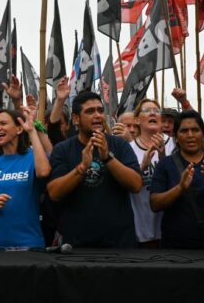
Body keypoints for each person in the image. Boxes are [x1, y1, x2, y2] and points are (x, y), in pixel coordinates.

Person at [47, 91, 142, 248]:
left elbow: (136, 185)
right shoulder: (62, 149)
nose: (97, 115)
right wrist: (82, 168)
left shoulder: (120, 145)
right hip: (76, 245)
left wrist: (108, 158)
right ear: (76, 119)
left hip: (119, 244)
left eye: (100, 110)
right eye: (90, 111)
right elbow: (54, 193)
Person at [150, 110, 204, 249]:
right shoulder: (165, 164)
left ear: (203, 134)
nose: (190, 135)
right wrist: (180, 188)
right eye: (184, 131)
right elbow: (155, 204)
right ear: (176, 136)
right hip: (176, 248)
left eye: (195, 130)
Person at [0, 108, 51, 248]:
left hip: (28, 242)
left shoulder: (33, 158)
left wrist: (31, 131)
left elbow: (44, 172)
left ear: (19, 129)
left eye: (3, 123)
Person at [129, 99, 175, 246]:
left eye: (156, 110)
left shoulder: (174, 144)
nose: (152, 113)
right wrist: (142, 167)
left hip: (169, 227)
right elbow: (126, 185)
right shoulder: (128, 149)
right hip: (140, 228)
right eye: (147, 111)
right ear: (137, 120)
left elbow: (179, 181)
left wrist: (163, 159)